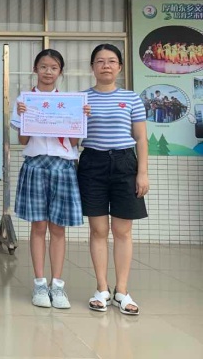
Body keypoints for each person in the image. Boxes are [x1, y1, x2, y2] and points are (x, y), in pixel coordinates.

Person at [11, 49, 89, 309]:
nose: (48, 71)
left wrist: (80, 117)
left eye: (54, 67)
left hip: (63, 165)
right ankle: (39, 284)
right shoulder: (25, 100)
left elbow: (74, 142)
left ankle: (57, 285)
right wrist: (24, 115)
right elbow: (23, 139)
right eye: (43, 66)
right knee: (38, 226)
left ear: (60, 72)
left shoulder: (71, 102)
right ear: (35, 69)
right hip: (35, 163)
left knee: (58, 228)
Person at [78, 44, 148, 315]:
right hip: (92, 164)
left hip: (124, 164)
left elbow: (141, 138)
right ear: (92, 67)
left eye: (111, 61)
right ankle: (101, 289)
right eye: (100, 61)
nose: (105, 65)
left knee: (122, 231)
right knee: (98, 230)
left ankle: (122, 291)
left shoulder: (131, 98)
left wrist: (142, 172)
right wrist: (78, 119)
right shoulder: (81, 99)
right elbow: (73, 138)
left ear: (119, 67)